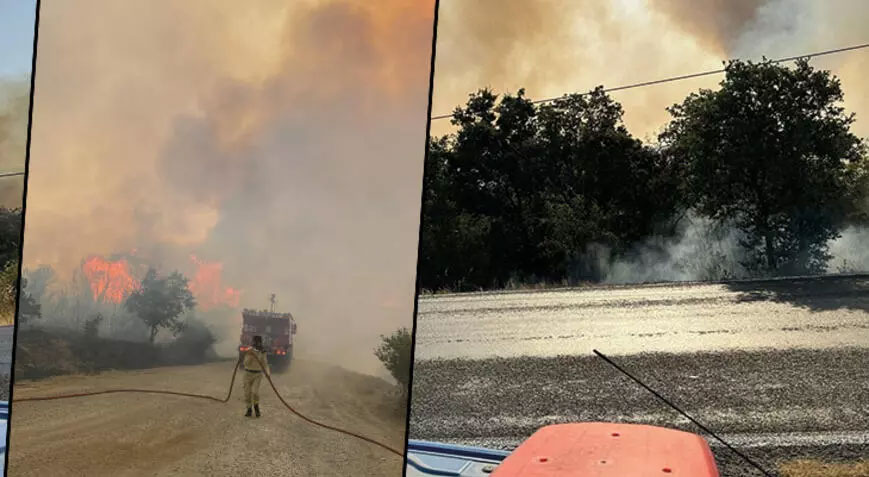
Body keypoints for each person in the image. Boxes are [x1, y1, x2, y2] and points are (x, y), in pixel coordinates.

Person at [243, 335, 270, 417]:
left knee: (255, 392)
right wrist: (250, 355)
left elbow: (265, 363)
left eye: (259, 342)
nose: (257, 344)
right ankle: (249, 409)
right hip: (247, 374)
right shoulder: (248, 351)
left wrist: (267, 373)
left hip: (258, 374)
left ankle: (256, 407)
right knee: (247, 393)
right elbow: (246, 363)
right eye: (256, 342)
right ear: (253, 342)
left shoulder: (263, 352)